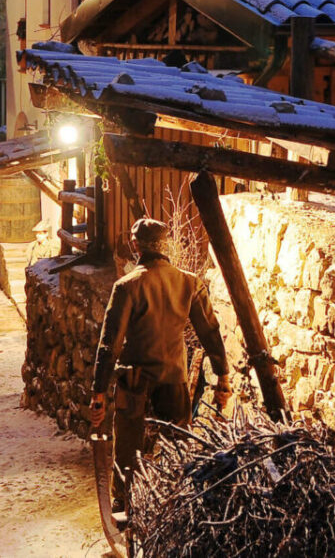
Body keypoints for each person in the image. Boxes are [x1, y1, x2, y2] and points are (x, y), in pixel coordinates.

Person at [90, 218, 232, 512]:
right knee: (178, 443)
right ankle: (177, 501)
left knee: (128, 441)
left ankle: (124, 502)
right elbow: (210, 332)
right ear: (166, 245)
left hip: (134, 379)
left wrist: (99, 392)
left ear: (135, 246)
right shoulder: (189, 282)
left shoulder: (127, 286)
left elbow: (110, 344)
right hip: (173, 375)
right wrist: (223, 376)